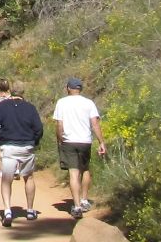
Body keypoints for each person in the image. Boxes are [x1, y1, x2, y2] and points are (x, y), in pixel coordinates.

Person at [0, 78, 43, 225]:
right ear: (23, 92)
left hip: (9, 146)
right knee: (29, 178)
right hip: (26, 146)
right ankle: (30, 210)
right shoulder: (30, 108)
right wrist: (34, 142)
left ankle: (7, 210)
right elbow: (38, 129)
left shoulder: (2, 106)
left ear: (11, 91)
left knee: (7, 179)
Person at [52, 76, 106, 217]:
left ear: (68, 88)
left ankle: (76, 207)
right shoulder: (89, 103)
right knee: (85, 169)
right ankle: (84, 200)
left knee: (73, 172)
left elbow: (59, 124)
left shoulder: (62, 102)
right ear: (80, 89)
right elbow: (95, 124)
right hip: (85, 141)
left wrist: (59, 139)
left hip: (68, 141)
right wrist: (101, 142)